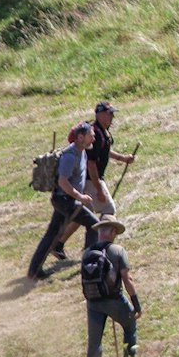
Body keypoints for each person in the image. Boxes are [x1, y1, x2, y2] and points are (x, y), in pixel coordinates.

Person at [28, 123, 102, 279]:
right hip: (65, 200)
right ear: (80, 137)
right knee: (94, 225)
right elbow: (63, 181)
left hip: (64, 199)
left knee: (52, 234)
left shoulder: (82, 151)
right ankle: (89, 265)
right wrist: (80, 196)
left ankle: (34, 270)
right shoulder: (70, 155)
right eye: (91, 135)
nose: (93, 138)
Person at [55, 100, 129, 255]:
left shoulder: (101, 133)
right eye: (110, 114)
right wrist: (98, 188)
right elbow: (92, 164)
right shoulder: (95, 133)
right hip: (91, 180)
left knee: (83, 216)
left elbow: (105, 150)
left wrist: (123, 158)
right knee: (109, 210)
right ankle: (100, 247)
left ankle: (58, 244)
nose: (112, 117)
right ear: (100, 115)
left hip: (88, 180)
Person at [80, 215, 140, 357]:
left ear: (100, 231)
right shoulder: (118, 251)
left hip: (93, 303)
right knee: (130, 326)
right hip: (114, 300)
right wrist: (136, 304)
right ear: (113, 231)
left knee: (94, 342)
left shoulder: (87, 253)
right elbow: (127, 280)